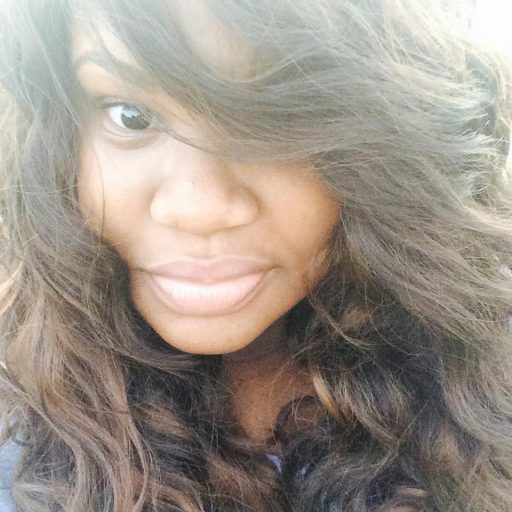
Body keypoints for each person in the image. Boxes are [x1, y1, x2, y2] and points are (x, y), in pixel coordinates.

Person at [0, 0, 511, 510]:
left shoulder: (489, 397)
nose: (199, 209)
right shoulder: (16, 428)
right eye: (130, 117)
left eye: (276, 118)